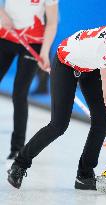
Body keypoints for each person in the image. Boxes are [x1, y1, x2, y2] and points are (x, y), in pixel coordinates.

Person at [7, 16, 106, 190]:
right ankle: (19, 164)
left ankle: (85, 174)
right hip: (65, 62)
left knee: (102, 119)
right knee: (58, 125)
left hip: (91, 66)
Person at [0, 0, 58, 159]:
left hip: (33, 41)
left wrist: (45, 52)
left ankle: (17, 149)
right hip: (6, 36)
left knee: (19, 94)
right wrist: (2, 13)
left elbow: (52, 23)